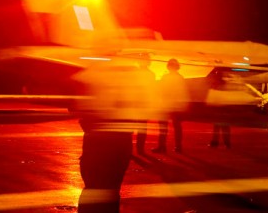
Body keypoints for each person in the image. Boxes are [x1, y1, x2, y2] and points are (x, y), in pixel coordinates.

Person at [72, 58, 153, 213]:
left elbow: (81, 111)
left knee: (94, 187)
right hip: (117, 144)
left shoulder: (93, 79)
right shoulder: (129, 87)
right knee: (111, 188)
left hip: (99, 145)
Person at [152, 58, 190, 153]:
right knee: (177, 127)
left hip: (166, 104)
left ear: (168, 67)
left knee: (163, 127)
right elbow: (183, 92)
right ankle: (178, 147)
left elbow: (161, 90)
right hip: (176, 105)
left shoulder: (165, 77)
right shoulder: (180, 78)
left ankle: (162, 146)